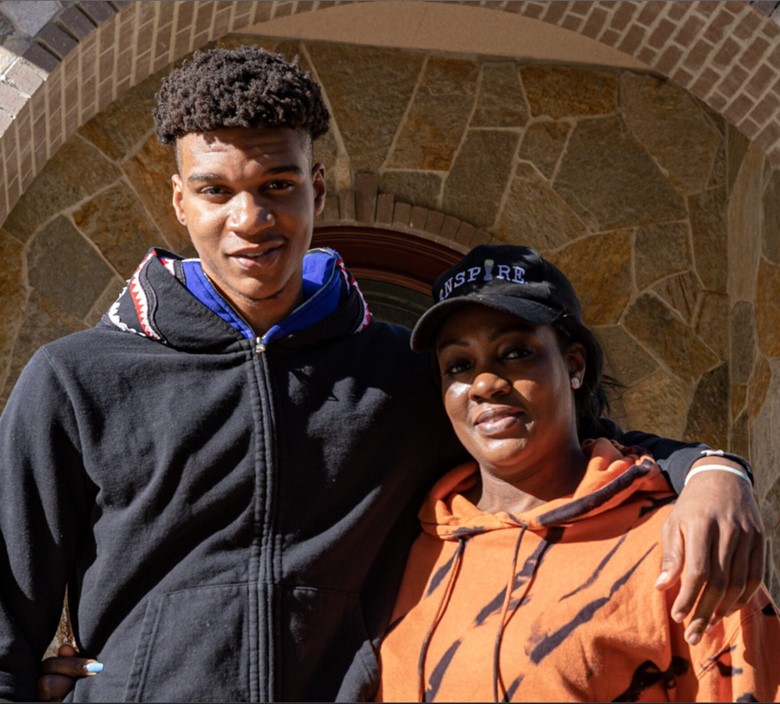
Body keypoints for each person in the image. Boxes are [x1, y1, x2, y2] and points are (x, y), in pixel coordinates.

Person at [0, 45, 763, 703]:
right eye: (215, 190)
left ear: (317, 188)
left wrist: (713, 469)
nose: (250, 219)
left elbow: (566, 434)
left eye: (277, 185)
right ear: (178, 200)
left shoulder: (400, 376)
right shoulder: (76, 381)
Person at [376, 244, 780, 702]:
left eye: (515, 352)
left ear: (573, 364)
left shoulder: (684, 545)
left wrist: (717, 469)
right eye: (460, 365)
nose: (485, 383)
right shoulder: (409, 544)